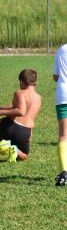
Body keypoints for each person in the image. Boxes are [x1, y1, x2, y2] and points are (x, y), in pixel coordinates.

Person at [53, 43, 67, 186]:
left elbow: (56, 76)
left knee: (64, 135)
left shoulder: (62, 49)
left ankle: (64, 171)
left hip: (63, 95)